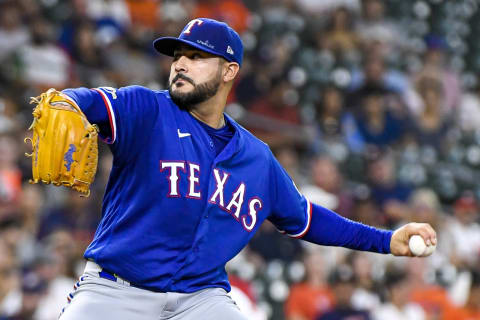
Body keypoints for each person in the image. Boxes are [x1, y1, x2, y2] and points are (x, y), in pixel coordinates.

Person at [41, 18, 436, 320]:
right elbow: (85, 101)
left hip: (200, 298)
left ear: (229, 71)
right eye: (178, 55)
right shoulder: (146, 109)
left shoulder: (257, 158)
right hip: (116, 289)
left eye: (196, 57)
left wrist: (387, 241)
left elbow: (307, 219)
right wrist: (66, 104)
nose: (180, 64)